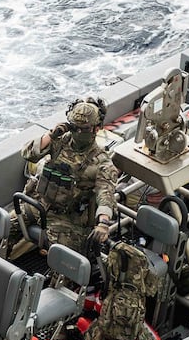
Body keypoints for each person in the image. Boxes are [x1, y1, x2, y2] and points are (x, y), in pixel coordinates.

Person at [10, 96, 118, 256]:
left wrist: (103, 222)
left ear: (96, 128)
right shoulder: (60, 142)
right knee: (1, 229)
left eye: (85, 129)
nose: (79, 132)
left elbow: (105, 194)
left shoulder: (101, 162)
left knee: (63, 262)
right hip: (38, 204)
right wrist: (51, 135)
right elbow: (28, 154)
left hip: (68, 219)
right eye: (75, 127)